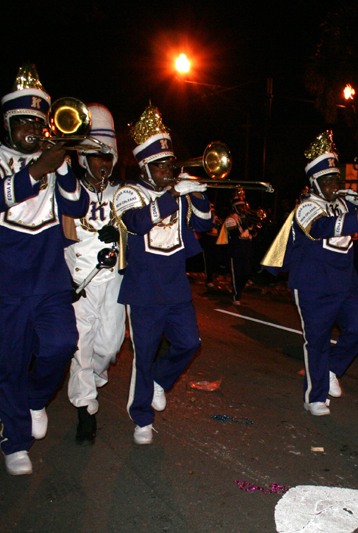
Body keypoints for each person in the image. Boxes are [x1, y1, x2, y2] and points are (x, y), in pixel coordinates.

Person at [0, 63, 89, 475]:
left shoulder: (51, 159)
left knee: (62, 344)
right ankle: (16, 441)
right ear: (8, 122)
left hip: (48, 277)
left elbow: (77, 207)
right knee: (8, 363)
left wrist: (62, 164)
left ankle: (32, 399)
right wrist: (40, 167)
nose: (32, 127)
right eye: (23, 120)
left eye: (38, 121)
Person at [261, 131, 358, 416]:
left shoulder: (344, 203)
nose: (334, 184)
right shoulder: (306, 206)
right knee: (317, 341)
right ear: (314, 182)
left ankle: (333, 368)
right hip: (313, 285)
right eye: (327, 180)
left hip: (345, 282)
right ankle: (315, 396)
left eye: (336, 178)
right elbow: (322, 228)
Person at [113, 103, 212, 444]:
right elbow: (137, 223)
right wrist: (173, 194)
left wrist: (197, 193)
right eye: (161, 166)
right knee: (145, 354)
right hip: (142, 291)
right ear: (144, 166)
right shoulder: (128, 192)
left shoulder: (179, 193)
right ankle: (141, 418)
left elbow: (204, 225)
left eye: (170, 164)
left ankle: (159, 382)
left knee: (189, 343)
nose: (169, 170)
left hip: (176, 289)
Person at [63, 104, 125, 445]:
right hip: (79, 284)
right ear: (83, 158)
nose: (104, 163)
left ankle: (91, 378)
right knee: (81, 348)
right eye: (97, 156)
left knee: (110, 346)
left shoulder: (120, 194)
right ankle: (85, 409)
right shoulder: (67, 191)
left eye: (109, 157)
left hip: (113, 282)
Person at [221, 189, 255, 305]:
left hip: (246, 251)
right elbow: (238, 234)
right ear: (235, 207)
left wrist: (252, 226)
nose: (243, 208)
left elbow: (252, 235)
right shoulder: (231, 219)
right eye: (240, 206)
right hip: (236, 251)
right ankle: (236, 295)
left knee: (247, 272)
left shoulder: (243, 219)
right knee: (236, 273)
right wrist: (247, 228)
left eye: (243, 206)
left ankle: (238, 290)